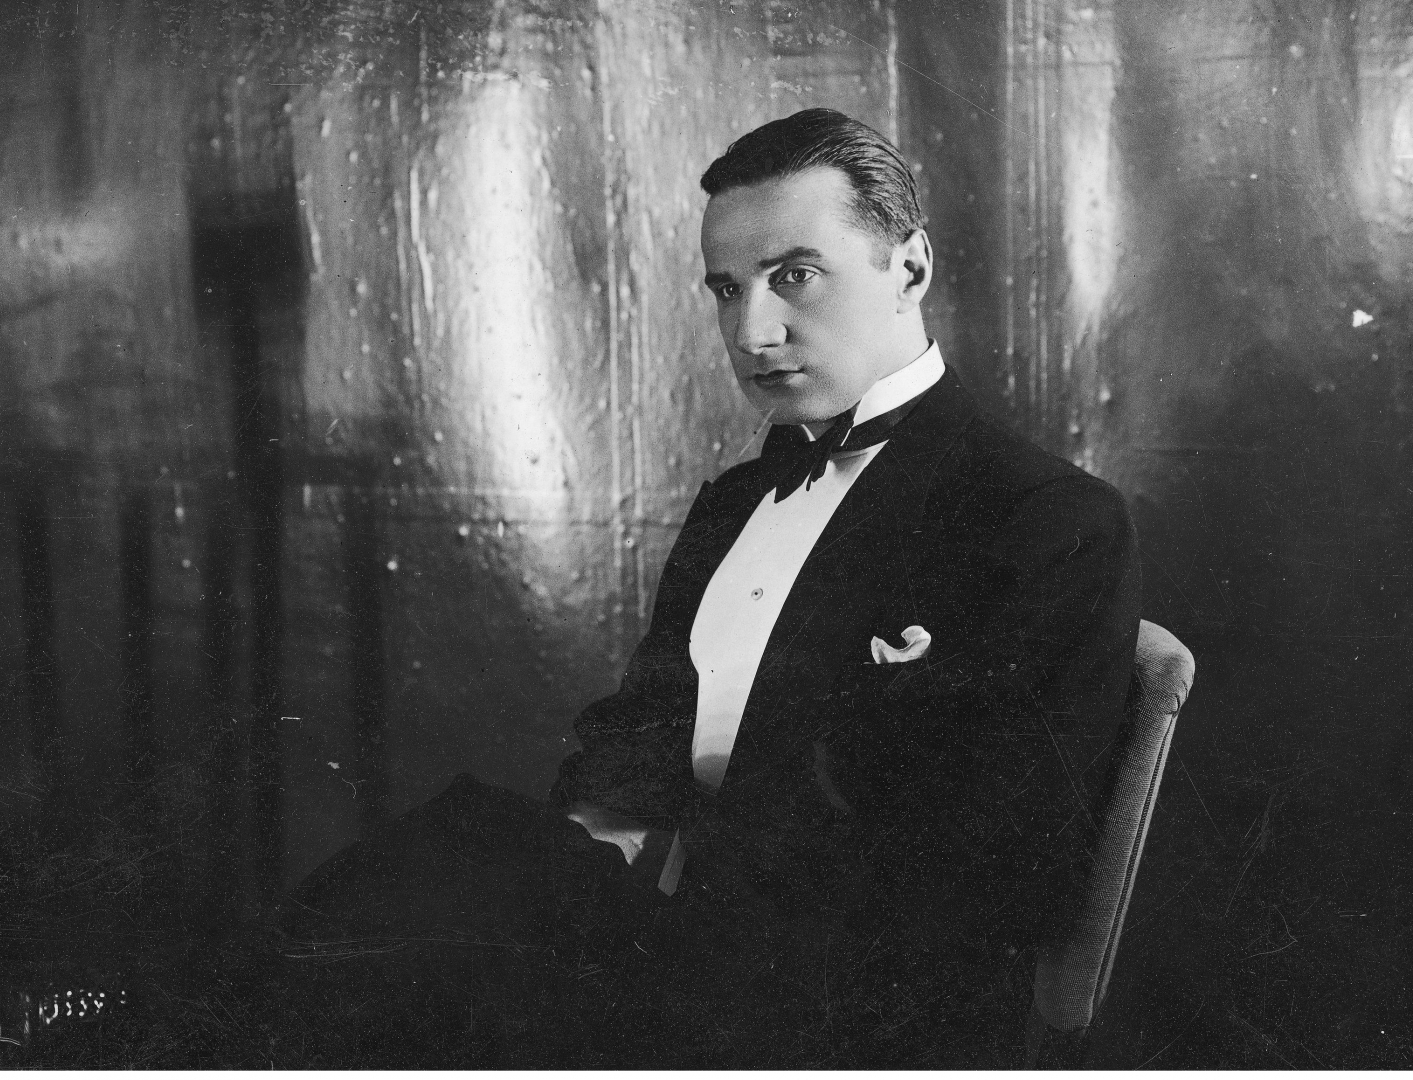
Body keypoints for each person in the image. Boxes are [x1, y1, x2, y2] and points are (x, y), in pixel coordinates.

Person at [282, 108, 1141, 1068]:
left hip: (853, 1018)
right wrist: (582, 857)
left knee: (402, 927)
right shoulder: (737, 502)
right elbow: (646, 724)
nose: (751, 330)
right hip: (684, 965)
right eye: (728, 290)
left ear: (910, 268)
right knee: (418, 896)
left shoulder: (1043, 518)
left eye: (795, 276)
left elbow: (1003, 867)